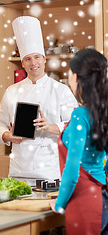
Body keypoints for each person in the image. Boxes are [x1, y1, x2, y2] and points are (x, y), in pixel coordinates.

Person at [0, 16, 78, 182]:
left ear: (45, 60)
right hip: (18, 170)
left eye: (37, 57)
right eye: (28, 59)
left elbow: (75, 126)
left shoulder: (61, 90)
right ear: (23, 63)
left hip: (50, 171)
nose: (33, 63)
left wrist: (51, 126)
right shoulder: (11, 91)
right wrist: (6, 136)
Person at [50, 48, 108, 235]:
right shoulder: (102, 113)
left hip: (84, 204)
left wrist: (59, 204)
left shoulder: (80, 115)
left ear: (75, 77)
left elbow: (72, 169)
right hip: (103, 199)